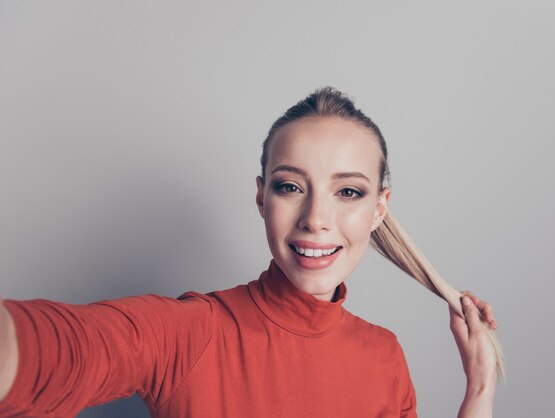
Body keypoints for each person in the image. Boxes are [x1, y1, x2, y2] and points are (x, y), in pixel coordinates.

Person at [0, 87, 499, 417]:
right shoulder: (192, 332)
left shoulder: (384, 356)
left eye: (348, 191)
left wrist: (478, 391)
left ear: (379, 208)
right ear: (261, 196)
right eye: (290, 187)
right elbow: (59, 348)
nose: (316, 219)